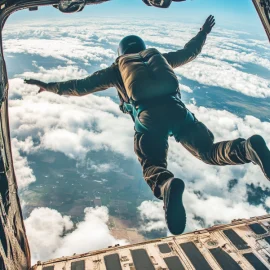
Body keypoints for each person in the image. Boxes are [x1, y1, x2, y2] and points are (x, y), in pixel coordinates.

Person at [25, 16, 270, 235]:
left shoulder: (116, 70)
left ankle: (166, 185)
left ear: (121, 53)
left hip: (148, 118)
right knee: (208, 151)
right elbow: (190, 51)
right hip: (178, 111)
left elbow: (79, 86)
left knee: (152, 164)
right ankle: (247, 148)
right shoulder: (160, 59)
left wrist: (50, 86)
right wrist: (203, 32)